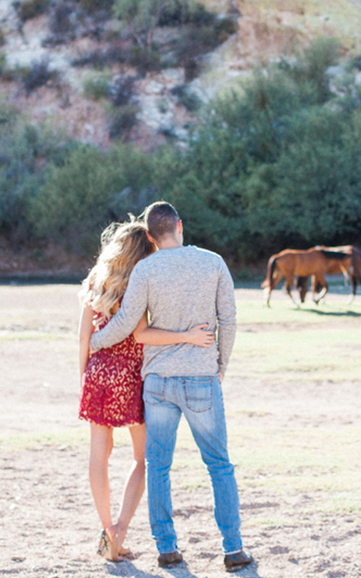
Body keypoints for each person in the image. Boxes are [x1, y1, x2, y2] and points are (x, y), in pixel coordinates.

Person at [90, 201, 253, 573]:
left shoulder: (145, 269)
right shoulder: (213, 262)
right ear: (180, 226)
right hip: (201, 378)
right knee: (219, 466)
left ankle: (167, 549)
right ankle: (233, 551)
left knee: (157, 466)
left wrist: (93, 344)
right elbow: (228, 318)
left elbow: (125, 325)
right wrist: (221, 364)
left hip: (158, 383)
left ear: (149, 236)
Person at [79, 217, 215, 563]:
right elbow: (140, 333)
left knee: (99, 454)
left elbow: (83, 337)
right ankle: (120, 530)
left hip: (97, 373)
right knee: (143, 458)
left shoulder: (97, 280)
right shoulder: (142, 282)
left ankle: (107, 529)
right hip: (130, 375)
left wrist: (85, 378)